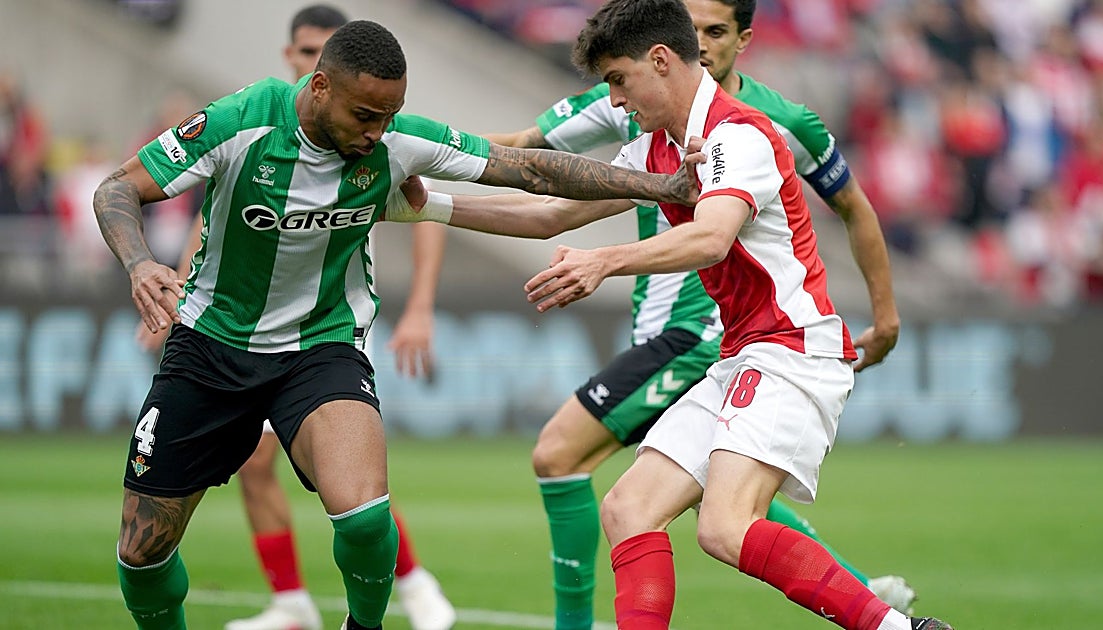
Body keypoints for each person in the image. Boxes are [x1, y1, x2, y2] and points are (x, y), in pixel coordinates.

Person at [95, 19, 699, 630]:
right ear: (320, 87)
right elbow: (117, 188)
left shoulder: (395, 140)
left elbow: (529, 170)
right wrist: (140, 262)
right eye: (365, 116)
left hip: (320, 347)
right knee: (142, 555)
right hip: (209, 348)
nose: (377, 132)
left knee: (364, 516)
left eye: (389, 116)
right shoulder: (241, 120)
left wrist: (663, 186)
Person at [387, 0, 954, 628]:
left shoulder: (738, 134)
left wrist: (605, 261)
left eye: (618, 80)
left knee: (725, 526)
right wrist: (427, 206)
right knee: (629, 508)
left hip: (792, 350)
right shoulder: (655, 149)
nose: (615, 99)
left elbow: (711, 237)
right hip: (740, 355)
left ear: (660, 60)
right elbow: (551, 213)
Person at [134, 7, 456, 630]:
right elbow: (218, 221)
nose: (313, 63)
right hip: (232, 336)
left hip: (324, 329)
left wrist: (420, 306)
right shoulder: (254, 126)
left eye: (323, 51)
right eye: (306, 52)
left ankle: (413, 581)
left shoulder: (371, 134)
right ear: (296, 61)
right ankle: (291, 601)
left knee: (348, 477)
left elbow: (432, 212)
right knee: (256, 466)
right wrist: (172, 289)